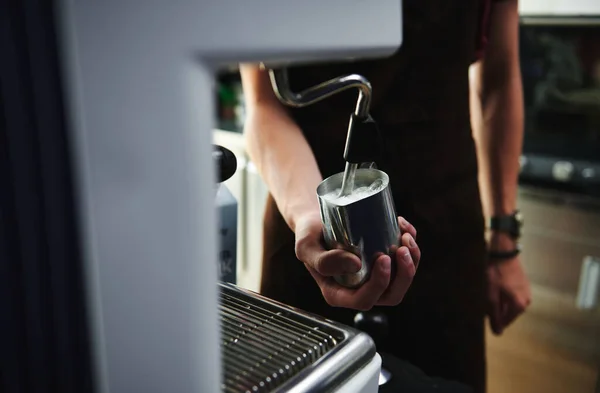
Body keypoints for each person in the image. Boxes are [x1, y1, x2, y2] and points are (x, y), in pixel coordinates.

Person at [240, 1, 532, 392]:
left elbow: (497, 78)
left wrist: (503, 237)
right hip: (312, 229)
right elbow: (264, 105)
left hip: (444, 227)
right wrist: (312, 219)